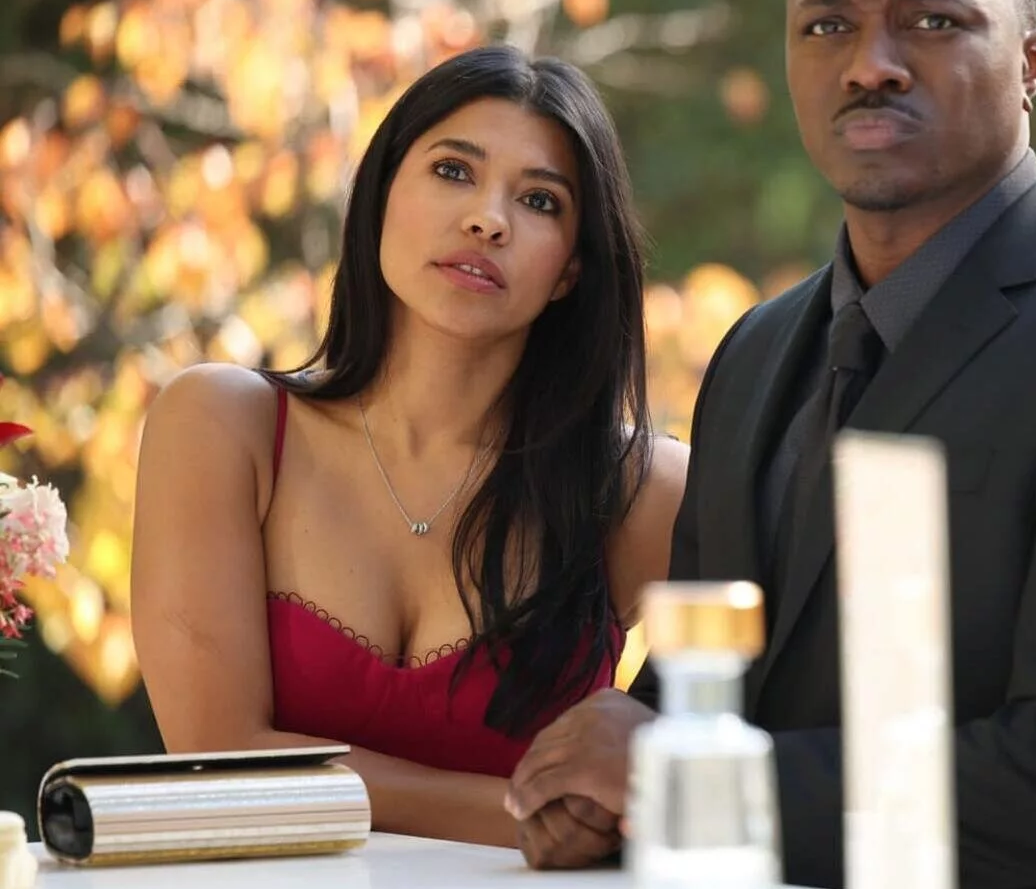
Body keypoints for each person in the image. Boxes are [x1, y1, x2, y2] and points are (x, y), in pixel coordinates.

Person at [502, 0, 1036, 889]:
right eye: (826, 24)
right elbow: (703, 691)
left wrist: (690, 780)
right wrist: (594, 792)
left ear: (1033, 62)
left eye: (931, 21)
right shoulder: (754, 351)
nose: (869, 63)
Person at [131, 46, 686, 848]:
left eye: (539, 200)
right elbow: (217, 760)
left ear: (570, 268)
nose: (488, 218)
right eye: (454, 171)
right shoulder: (222, 425)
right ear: (382, 191)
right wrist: (526, 814)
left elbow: (744, 752)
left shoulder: (639, 491)